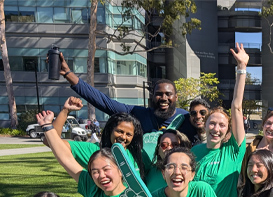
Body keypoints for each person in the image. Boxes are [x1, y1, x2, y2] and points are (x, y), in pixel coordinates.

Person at [37, 110, 155, 197]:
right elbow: (65, 158)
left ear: (120, 171)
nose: (101, 176)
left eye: (106, 169)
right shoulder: (91, 186)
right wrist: (48, 127)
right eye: (95, 171)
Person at [51, 52, 195, 137]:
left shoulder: (187, 118)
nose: (164, 98)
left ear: (176, 97)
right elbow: (102, 101)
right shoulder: (138, 113)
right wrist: (68, 74)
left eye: (168, 94)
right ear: (152, 96)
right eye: (159, 94)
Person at [191, 44, 248, 197]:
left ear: (228, 130)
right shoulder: (194, 151)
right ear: (205, 125)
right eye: (212, 123)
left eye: (222, 125)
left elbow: (237, 107)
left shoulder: (233, 151)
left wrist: (242, 68)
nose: (216, 128)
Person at [44, 97, 148, 179]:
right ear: (110, 130)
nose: (123, 137)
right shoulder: (94, 151)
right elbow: (51, 142)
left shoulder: (137, 155)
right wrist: (65, 111)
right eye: (119, 131)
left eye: (128, 134)